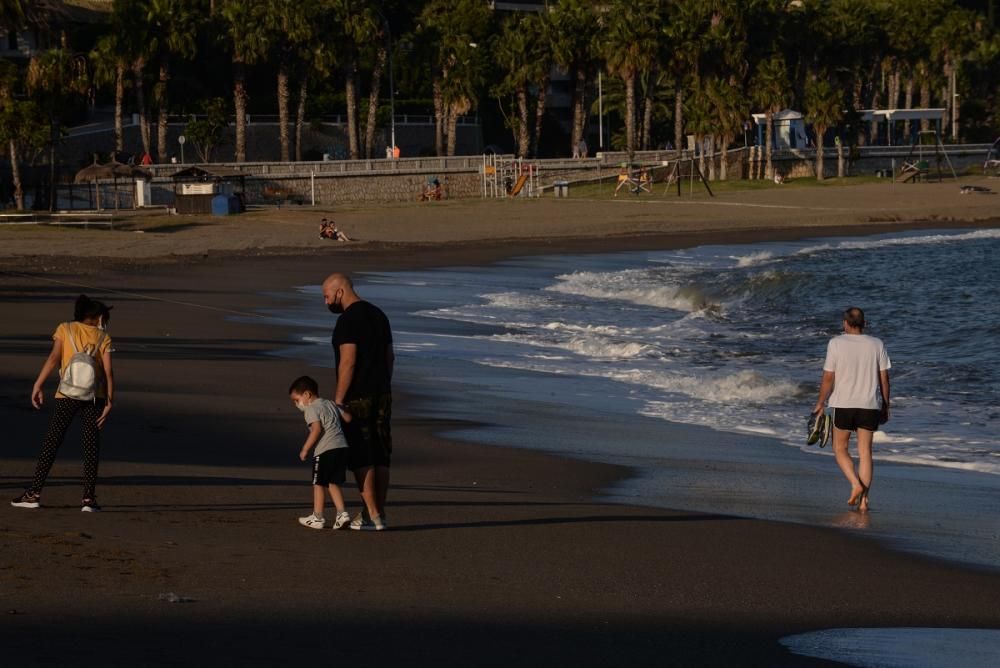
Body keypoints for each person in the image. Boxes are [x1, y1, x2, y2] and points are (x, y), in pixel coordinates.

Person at [12, 295, 114, 512]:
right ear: (98, 317)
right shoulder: (103, 336)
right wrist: (110, 400)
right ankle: (88, 499)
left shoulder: (65, 329)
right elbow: (108, 372)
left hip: (67, 393)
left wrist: (38, 385)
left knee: (52, 441)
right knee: (91, 445)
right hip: (95, 396)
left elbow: (53, 358)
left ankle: (34, 494)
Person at [323, 273, 394, 531]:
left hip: (357, 396)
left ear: (340, 292)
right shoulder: (379, 315)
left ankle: (373, 515)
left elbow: (348, 361)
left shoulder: (348, 320)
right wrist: (384, 384)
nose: (326, 302)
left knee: (362, 455)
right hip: (382, 393)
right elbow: (390, 357)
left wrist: (339, 399)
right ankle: (376, 513)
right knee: (381, 454)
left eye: (327, 296)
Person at [812, 307, 891, 513]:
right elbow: (884, 378)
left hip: (844, 404)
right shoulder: (877, 344)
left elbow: (829, 377)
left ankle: (855, 484)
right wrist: (886, 403)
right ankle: (864, 502)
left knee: (840, 449)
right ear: (864, 323)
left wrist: (821, 402)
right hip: (869, 404)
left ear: (845, 323)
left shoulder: (836, 343)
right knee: (865, 453)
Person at [289, 375, 352, 530]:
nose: (297, 404)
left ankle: (317, 516)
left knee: (318, 483)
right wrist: (342, 407)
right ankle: (342, 513)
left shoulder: (311, 408)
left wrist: (305, 449)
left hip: (325, 449)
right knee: (333, 482)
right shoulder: (330, 403)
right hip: (342, 447)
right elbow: (348, 418)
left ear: (307, 395)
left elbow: (316, 430)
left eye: (296, 400)